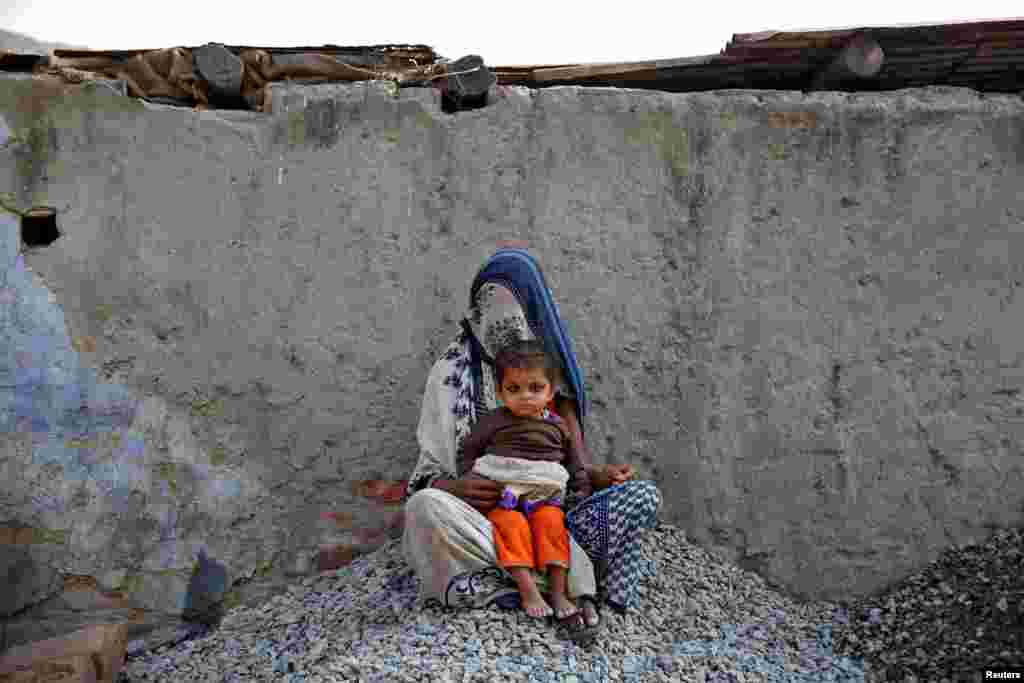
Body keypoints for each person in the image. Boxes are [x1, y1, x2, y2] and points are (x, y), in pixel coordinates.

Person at [402, 247, 662, 644]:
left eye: (514, 318)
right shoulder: (449, 374)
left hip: (553, 516)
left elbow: (575, 468)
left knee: (641, 496)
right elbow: (422, 479)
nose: (504, 331)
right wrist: (451, 487)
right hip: (483, 522)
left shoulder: (544, 372)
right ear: (476, 314)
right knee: (425, 509)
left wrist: (598, 475)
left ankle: (543, 578)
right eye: (494, 316)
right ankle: (562, 583)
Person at [458, 339, 593, 620]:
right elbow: (468, 453)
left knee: (552, 523)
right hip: (504, 496)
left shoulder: (558, 425)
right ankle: (527, 588)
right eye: (513, 389)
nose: (525, 397)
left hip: (542, 496)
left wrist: (582, 487)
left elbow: (573, 463)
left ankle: (557, 591)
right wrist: (471, 480)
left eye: (535, 388)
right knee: (511, 525)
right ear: (499, 393)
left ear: (550, 393)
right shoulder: (493, 422)